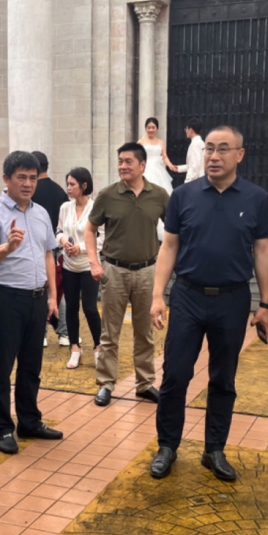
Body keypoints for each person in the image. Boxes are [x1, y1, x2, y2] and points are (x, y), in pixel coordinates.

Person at [149, 126, 268, 481]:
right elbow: (169, 246)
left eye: (223, 149)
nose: (214, 156)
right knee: (175, 374)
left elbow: (263, 251)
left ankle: (214, 449)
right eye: (208, 149)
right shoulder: (183, 196)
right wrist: (158, 295)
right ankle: (167, 446)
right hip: (188, 296)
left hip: (233, 300)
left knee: (223, 378)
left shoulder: (256, 198)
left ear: (240, 154)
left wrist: (266, 304)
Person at [0, 151, 64, 455]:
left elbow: (48, 253)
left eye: (32, 178)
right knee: (1, 369)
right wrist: (8, 246)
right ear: (7, 179)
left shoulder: (41, 214)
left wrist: (52, 296)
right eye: (21, 177)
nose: (28, 184)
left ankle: (29, 421)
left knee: (31, 366)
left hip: (37, 299)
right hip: (6, 299)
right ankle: (2, 427)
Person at [85, 143, 170, 407]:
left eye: (128, 161)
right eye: (120, 161)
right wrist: (94, 263)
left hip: (147, 272)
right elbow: (90, 230)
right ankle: (106, 384)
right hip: (114, 271)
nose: (122, 166)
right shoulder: (108, 195)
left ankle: (145, 384)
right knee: (110, 334)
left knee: (144, 332)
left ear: (142, 165)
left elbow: (174, 232)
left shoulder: (159, 195)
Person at [56, 167, 101, 369]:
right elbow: (58, 231)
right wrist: (63, 241)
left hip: (88, 264)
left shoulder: (96, 208)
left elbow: (102, 238)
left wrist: (80, 248)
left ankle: (98, 347)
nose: (68, 188)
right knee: (71, 307)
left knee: (90, 308)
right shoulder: (65, 207)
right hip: (69, 265)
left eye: (72, 184)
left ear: (84, 185)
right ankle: (75, 347)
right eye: (67, 184)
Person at [30, 150, 70, 347]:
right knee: (56, 289)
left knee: (40, 289)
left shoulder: (31, 191)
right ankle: (64, 333)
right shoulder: (59, 191)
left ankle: (42, 333)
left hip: (36, 246)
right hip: (56, 246)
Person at [138, 117, 178, 194]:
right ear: (145, 128)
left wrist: (170, 165)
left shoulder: (161, 142)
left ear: (157, 128)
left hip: (158, 169)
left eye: (153, 127)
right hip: (145, 168)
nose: (151, 130)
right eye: (149, 128)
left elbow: (164, 156)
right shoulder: (141, 142)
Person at [182, 118, 206, 184]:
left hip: (195, 181)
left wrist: (188, 181)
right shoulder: (201, 142)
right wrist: (178, 168)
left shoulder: (194, 144)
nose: (186, 131)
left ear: (191, 130)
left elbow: (195, 165)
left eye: (186, 129)